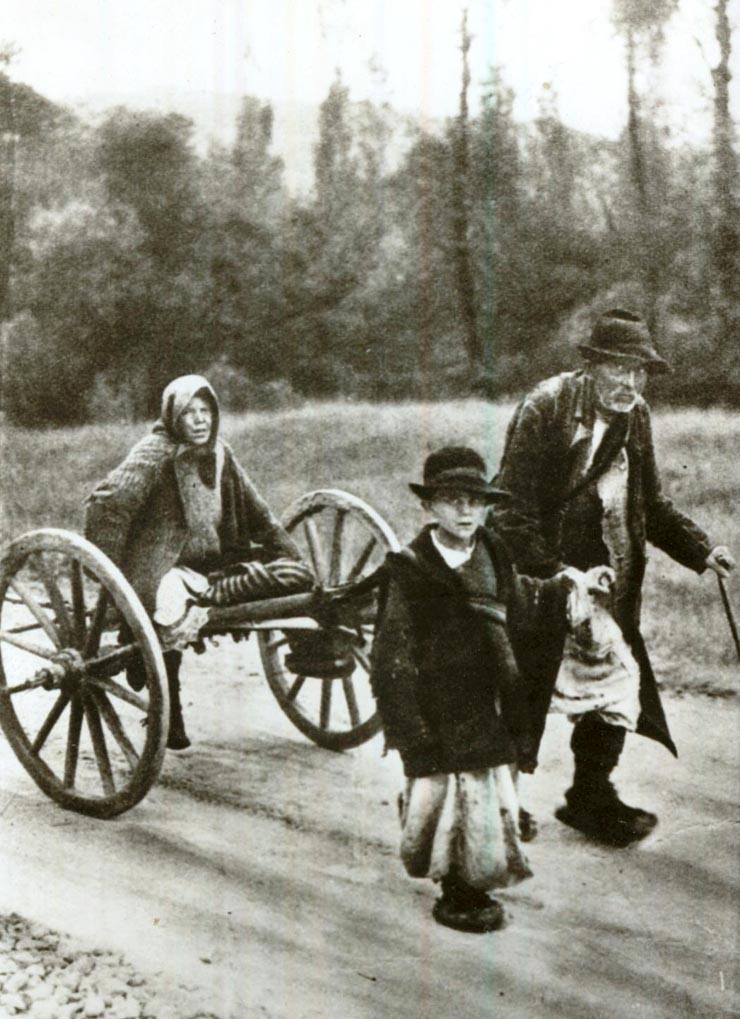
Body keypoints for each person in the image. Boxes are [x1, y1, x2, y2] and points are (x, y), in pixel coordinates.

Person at [492, 308, 736, 846]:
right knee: (520, 688)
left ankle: (589, 797)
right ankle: (498, 804)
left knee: (616, 686)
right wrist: (560, 574)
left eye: (639, 371)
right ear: (593, 366)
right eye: (619, 369)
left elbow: (648, 502)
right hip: (538, 574)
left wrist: (701, 551)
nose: (629, 383)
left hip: (602, 582)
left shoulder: (635, 415)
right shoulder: (547, 406)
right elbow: (510, 511)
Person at [370, 446, 575, 933]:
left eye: (475, 502)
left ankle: (472, 877)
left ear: (487, 508)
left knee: (481, 793)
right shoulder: (411, 568)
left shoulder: (493, 552)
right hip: (434, 701)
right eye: (452, 500)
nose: (465, 512)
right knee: (444, 793)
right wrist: (408, 726)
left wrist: (564, 592)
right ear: (429, 507)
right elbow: (390, 655)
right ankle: (457, 889)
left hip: (485, 698)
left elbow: (519, 604)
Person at [85, 375, 313, 750]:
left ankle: (213, 602)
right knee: (171, 603)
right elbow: (107, 503)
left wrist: (295, 561)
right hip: (163, 570)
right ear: (172, 415)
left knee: (294, 574)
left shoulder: (220, 453)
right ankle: (168, 710)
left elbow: (261, 516)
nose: (199, 420)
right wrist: (112, 579)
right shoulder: (154, 453)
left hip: (214, 569)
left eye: (205, 411)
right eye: (189, 412)